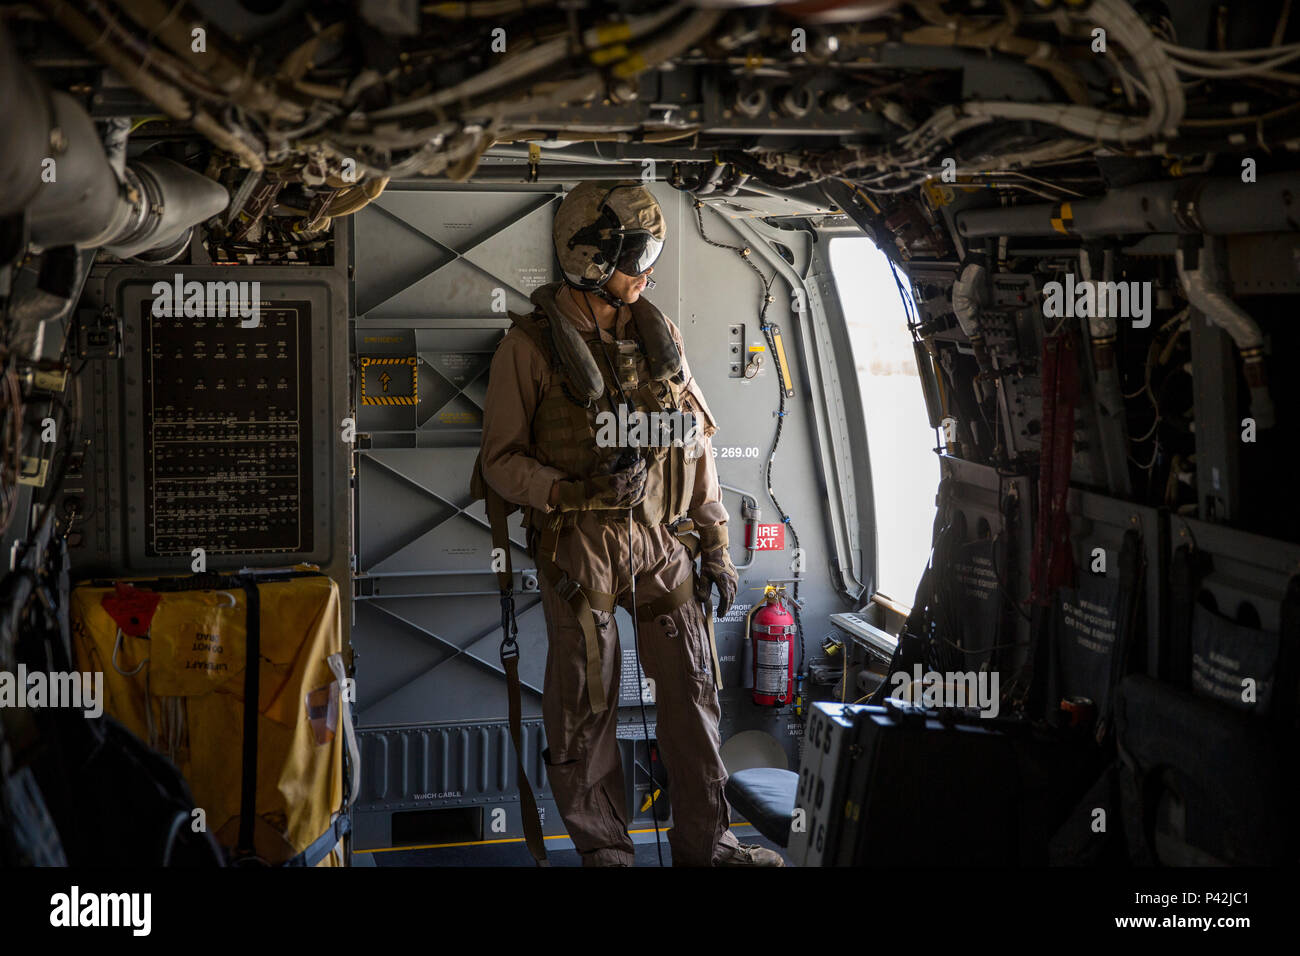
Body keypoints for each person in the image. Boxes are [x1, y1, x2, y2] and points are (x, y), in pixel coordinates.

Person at [478, 181, 783, 866]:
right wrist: (572, 489)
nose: (647, 272)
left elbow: (696, 444)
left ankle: (711, 847)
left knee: (694, 694)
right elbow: (499, 462)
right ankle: (605, 853)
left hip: (661, 537)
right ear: (589, 259)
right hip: (580, 546)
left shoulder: (658, 336)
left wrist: (715, 545)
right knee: (586, 709)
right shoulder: (528, 349)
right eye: (635, 257)